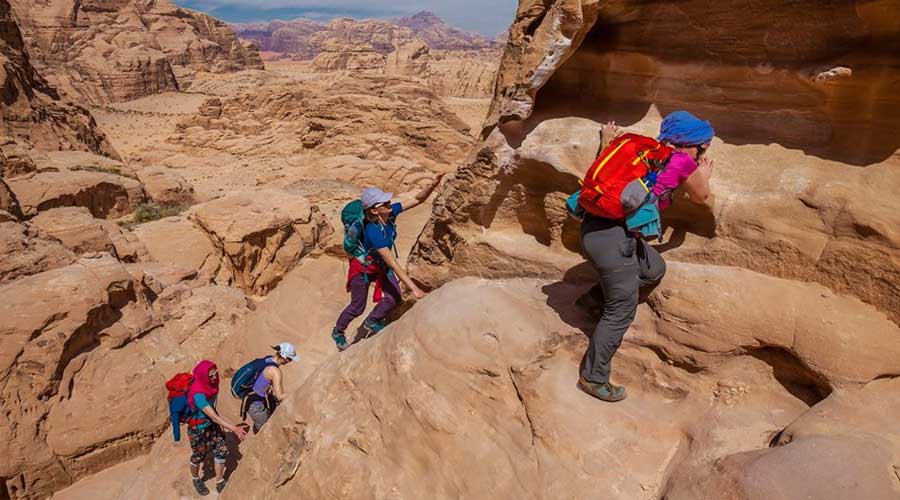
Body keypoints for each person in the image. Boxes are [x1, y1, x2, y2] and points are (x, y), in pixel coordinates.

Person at [577, 111, 715, 402]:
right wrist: (704, 174)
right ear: (691, 145)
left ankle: (591, 300)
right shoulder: (682, 162)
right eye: (703, 145)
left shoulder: (639, 149)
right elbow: (702, 198)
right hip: (613, 240)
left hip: (594, 228)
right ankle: (593, 378)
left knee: (654, 269)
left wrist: (606, 140)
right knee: (621, 310)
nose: (704, 150)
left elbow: (606, 171)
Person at [331, 175, 443, 350]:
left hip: (379, 266)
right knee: (357, 307)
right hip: (363, 268)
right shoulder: (372, 231)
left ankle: (372, 321)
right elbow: (392, 263)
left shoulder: (389, 215)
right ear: (375, 211)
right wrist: (415, 289)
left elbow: (416, 199)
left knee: (394, 298)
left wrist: (432, 185)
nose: (390, 204)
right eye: (385, 203)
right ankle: (338, 331)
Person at [186, 360, 247, 496]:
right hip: (198, 429)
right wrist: (234, 428)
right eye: (211, 376)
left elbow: (214, 411)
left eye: (215, 374)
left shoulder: (211, 385)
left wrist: (231, 425)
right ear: (203, 377)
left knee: (221, 450)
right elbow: (214, 416)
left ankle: (219, 481)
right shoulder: (198, 394)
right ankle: (196, 479)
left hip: (211, 425)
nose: (214, 378)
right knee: (198, 456)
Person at [245, 343, 297, 433]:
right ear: (285, 358)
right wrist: (297, 392)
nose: (290, 361)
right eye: (290, 359)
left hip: (251, 398)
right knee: (266, 431)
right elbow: (280, 396)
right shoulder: (275, 371)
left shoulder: (268, 359)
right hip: (256, 406)